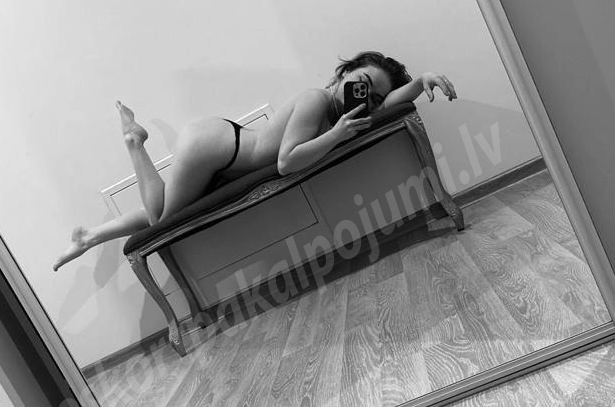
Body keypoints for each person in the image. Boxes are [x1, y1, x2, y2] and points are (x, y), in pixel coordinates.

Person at [52, 51, 456, 270]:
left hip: (223, 152)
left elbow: (389, 102)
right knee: (162, 221)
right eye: (360, 84)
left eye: (373, 97)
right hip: (214, 146)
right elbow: (286, 162)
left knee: (161, 207)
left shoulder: (344, 112)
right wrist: (336, 135)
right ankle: (134, 142)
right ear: (340, 76)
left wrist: (421, 82)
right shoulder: (317, 100)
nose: (364, 98)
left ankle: (90, 236)